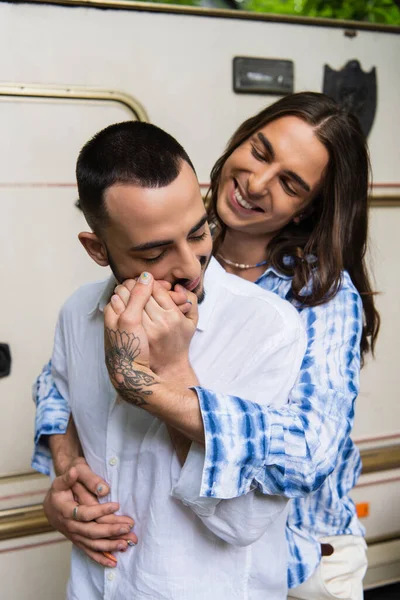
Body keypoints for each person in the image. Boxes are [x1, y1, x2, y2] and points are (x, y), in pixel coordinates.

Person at [33, 91, 380, 600]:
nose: (256, 182)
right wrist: (68, 475)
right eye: (261, 152)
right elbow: (63, 377)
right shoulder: (164, 233)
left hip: (304, 556)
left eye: (289, 183)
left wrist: (161, 380)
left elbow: (310, 449)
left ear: (308, 209)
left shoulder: (314, 298)